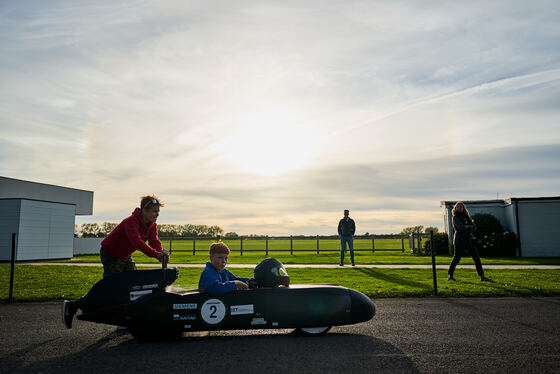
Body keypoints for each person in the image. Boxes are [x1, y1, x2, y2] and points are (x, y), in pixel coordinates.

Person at [62, 195, 170, 328]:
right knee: (109, 289)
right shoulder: (131, 222)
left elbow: (154, 241)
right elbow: (137, 242)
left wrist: (161, 253)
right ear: (144, 210)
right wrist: (156, 254)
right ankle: (72, 305)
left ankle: (125, 318)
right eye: (154, 211)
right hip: (111, 254)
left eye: (158, 212)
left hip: (125, 256)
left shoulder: (152, 225)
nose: (157, 214)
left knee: (133, 285)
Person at [447, 201, 492, 282]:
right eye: (458, 206)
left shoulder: (466, 216)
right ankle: (450, 276)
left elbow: (474, 227)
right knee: (457, 258)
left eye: (461, 206)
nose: (460, 208)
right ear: (455, 208)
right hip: (460, 240)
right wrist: (469, 227)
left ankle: (482, 276)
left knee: (476, 258)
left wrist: (468, 227)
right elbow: (461, 228)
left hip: (469, 240)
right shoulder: (455, 217)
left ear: (463, 208)